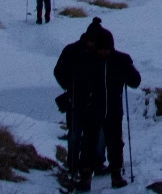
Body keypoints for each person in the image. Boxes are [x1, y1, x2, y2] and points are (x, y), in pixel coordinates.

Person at [54, 19, 142, 190]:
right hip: (92, 110)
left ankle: (116, 174)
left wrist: (129, 72)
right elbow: (75, 82)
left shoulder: (120, 60)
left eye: (107, 49)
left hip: (113, 111)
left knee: (115, 143)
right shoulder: (87, 61)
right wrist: (73, 96)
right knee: (89, 142)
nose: (104, 52)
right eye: (101, 49)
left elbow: (135, 81)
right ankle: (86, 176)